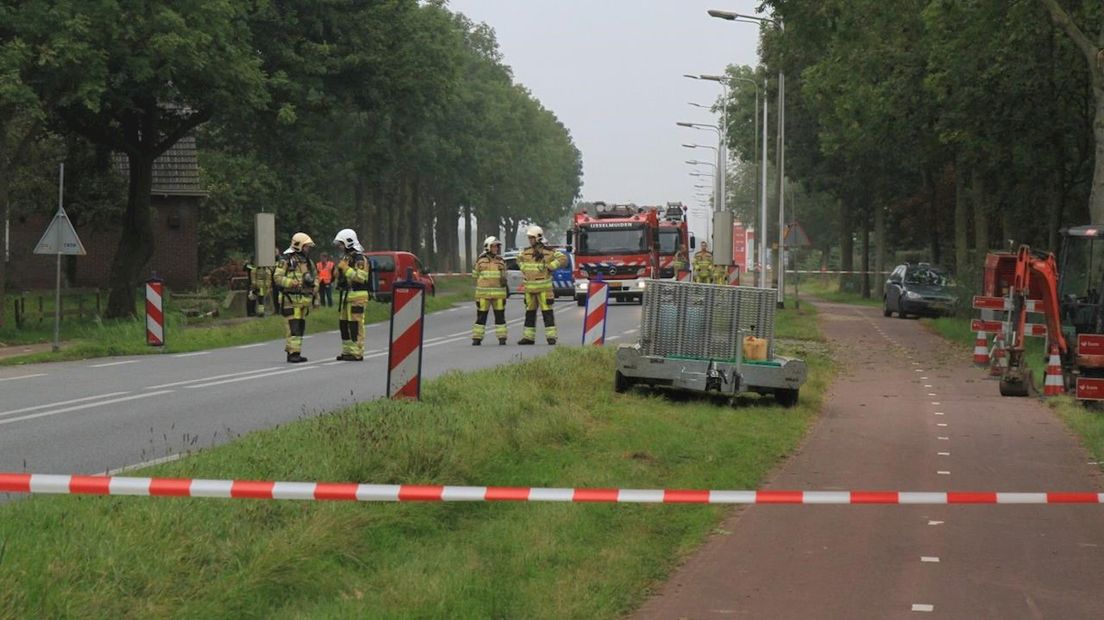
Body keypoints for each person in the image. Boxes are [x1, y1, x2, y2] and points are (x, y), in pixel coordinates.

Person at [517, 226, 566, 345]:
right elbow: (519, 260)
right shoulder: (526, 253)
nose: (530, 240)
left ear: (538, 238)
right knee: (530, 314)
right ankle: (528, 337)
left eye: (532, 238)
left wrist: (551, 266)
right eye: (529, 238)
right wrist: (523, 269)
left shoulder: (548, 252)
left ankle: (551, 337)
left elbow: (563, 259)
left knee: (547, 313)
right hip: (530, 290)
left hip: (544, 290)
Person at [274, 233, 318, 363]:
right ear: (299, 246)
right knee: (293, 327)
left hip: (303, 301)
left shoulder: (308, 262)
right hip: (290, 299)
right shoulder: (286, 260)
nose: (308, 249)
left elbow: (316, 276)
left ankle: (294, 351)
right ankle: (294, 354)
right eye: (306, 246)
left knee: (299, 327)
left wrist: (314, 289)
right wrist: (291, 283)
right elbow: (277, 278)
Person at [333, 228, 372, 361]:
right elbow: (339, 276)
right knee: (344, 323)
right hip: (346, 296)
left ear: (348, 242)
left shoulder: (361, 259)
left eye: (341, 244)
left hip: (358, 295)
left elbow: (361, 277)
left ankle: (357, 352)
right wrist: (338, 270)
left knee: (356, 324)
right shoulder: (346, 258)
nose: (340, 247)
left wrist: (346, 269)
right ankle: (347, 351)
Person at [471, 236, 508, 346]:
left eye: (497, 246)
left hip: (499, 295)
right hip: (483, 295)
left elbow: (504, 276)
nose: (496, 248)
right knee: (481, 316)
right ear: (488, 247)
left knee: (500, 316)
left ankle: (502, 338)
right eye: (494, 246)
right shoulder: (480, 261)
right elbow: (475, 275)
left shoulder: (501, 261)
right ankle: (477, 338)